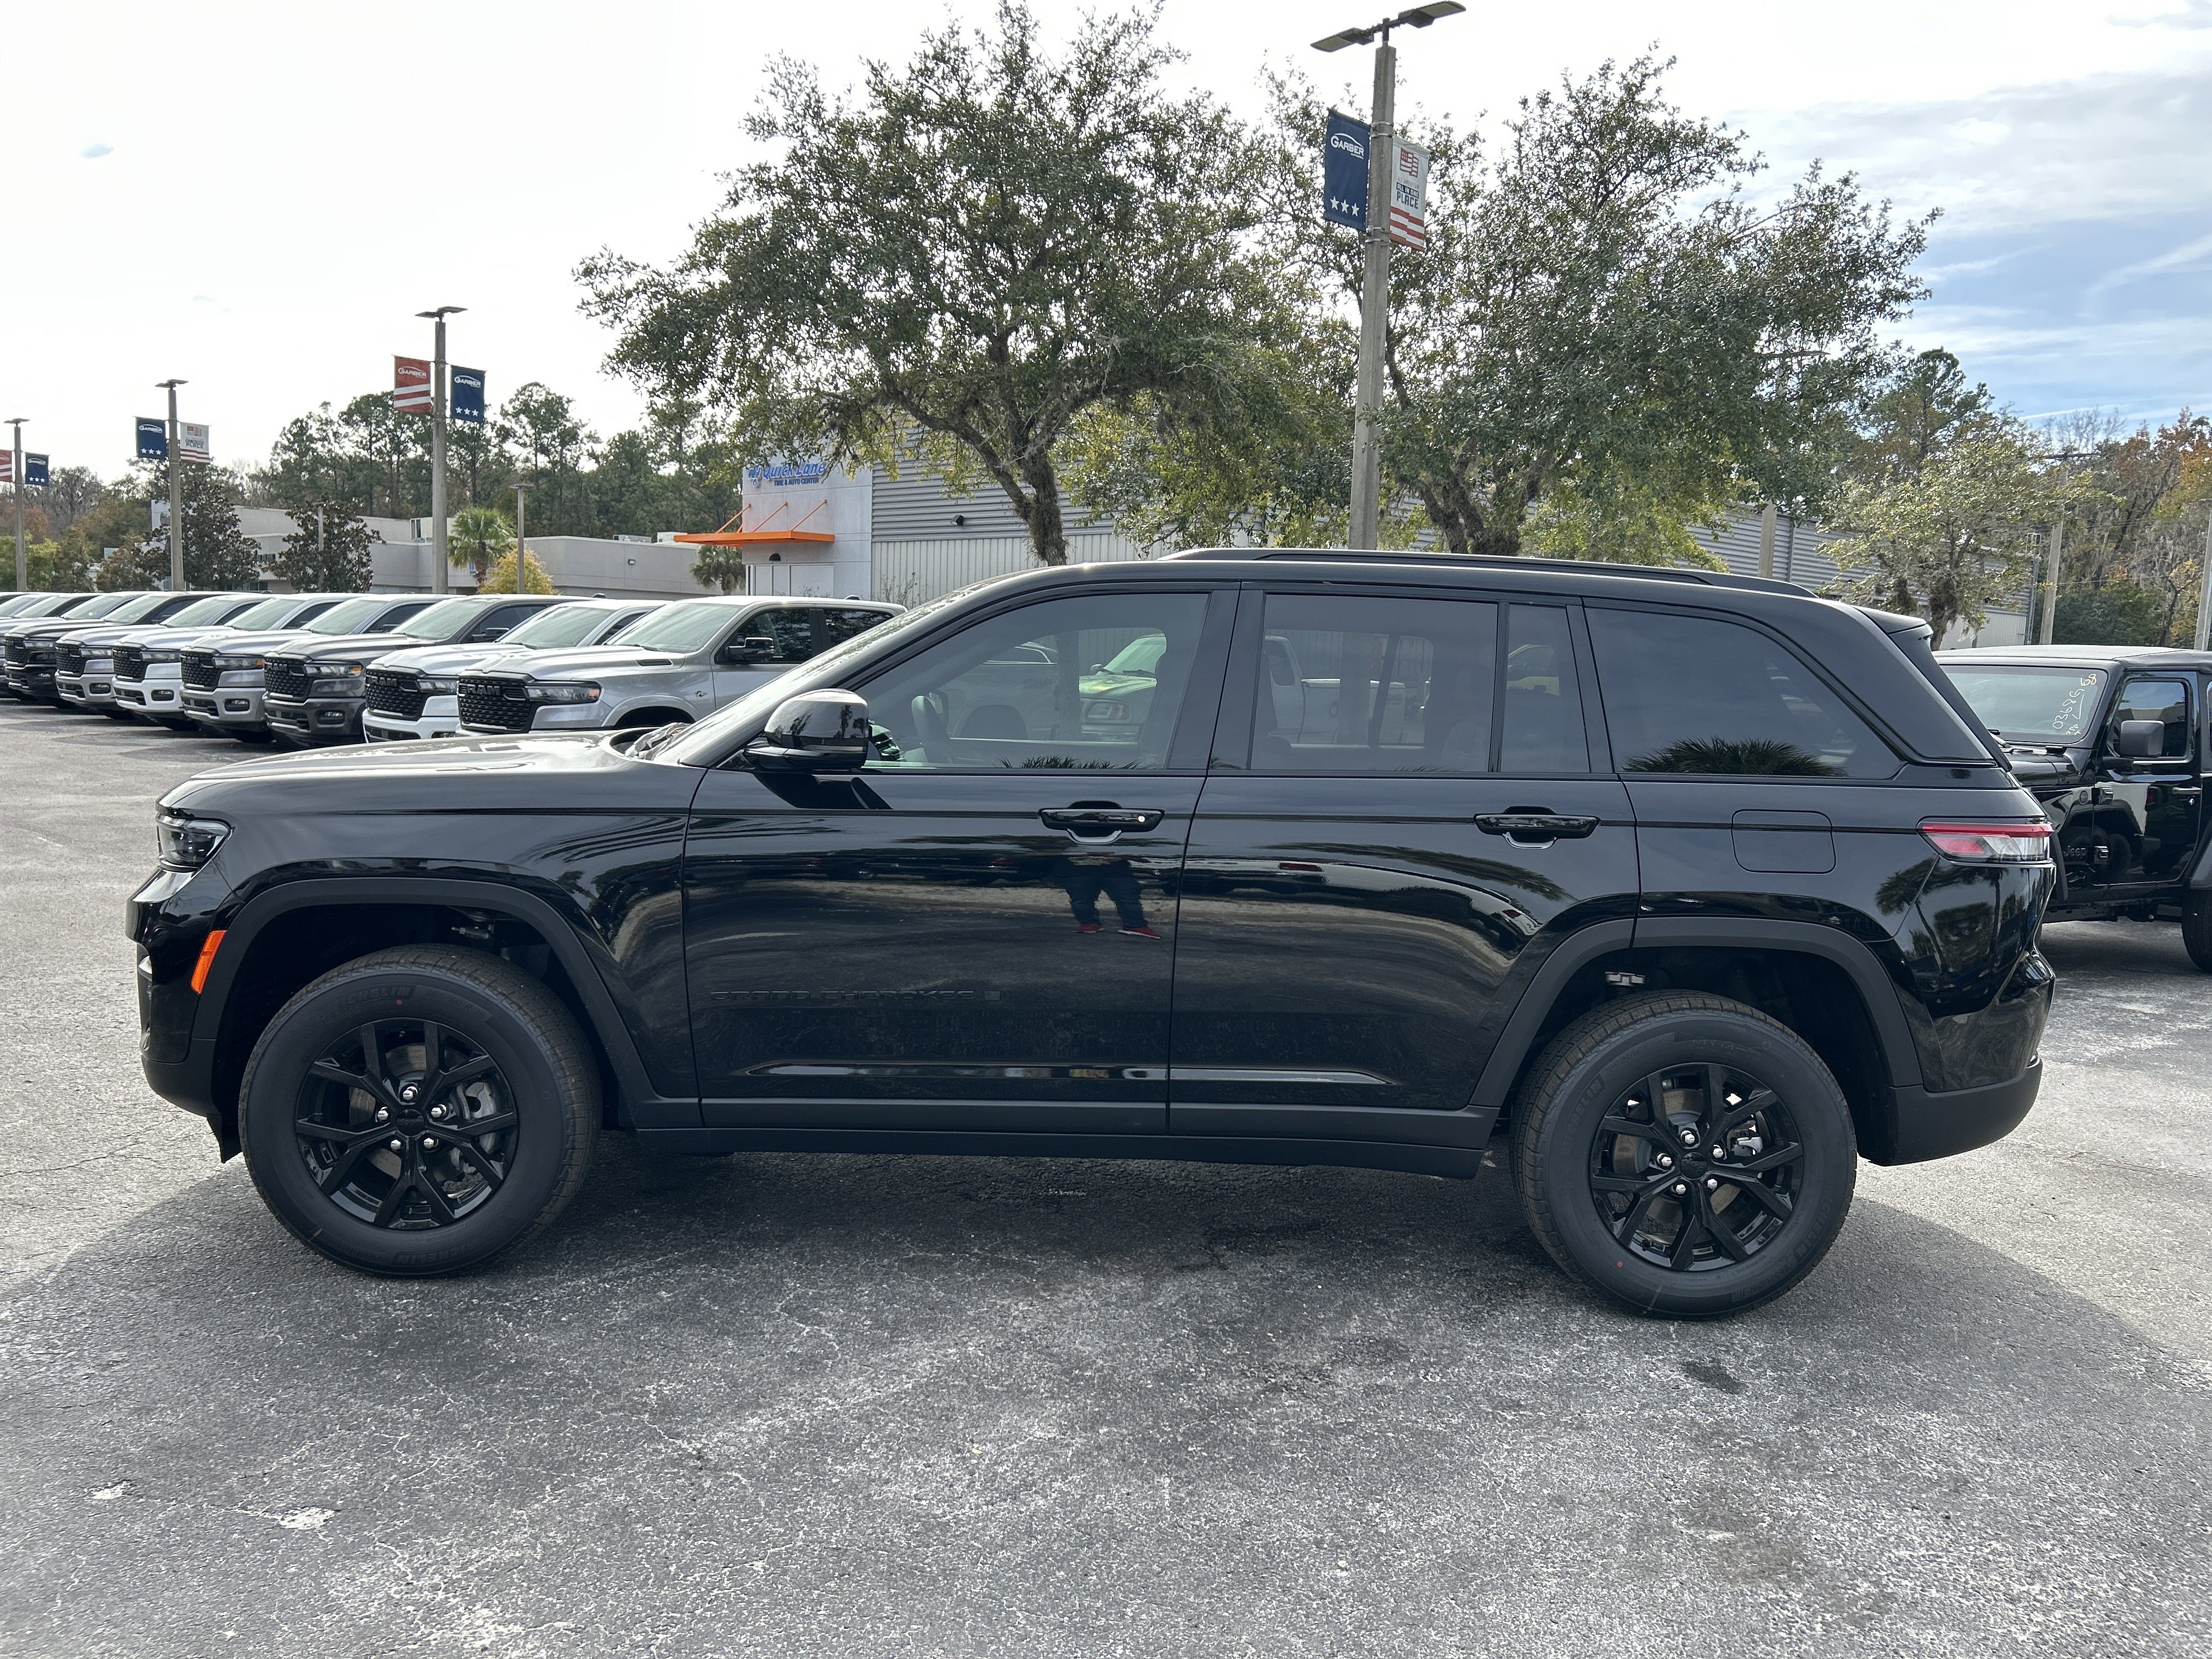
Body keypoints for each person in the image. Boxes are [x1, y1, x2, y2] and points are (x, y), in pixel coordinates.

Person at [1060, 852, 1159, 938]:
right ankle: (1089, 923)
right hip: (1081, 866)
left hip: (1113, 865)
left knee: (1127, 898)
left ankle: (1136, 925)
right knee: (1081, 899)